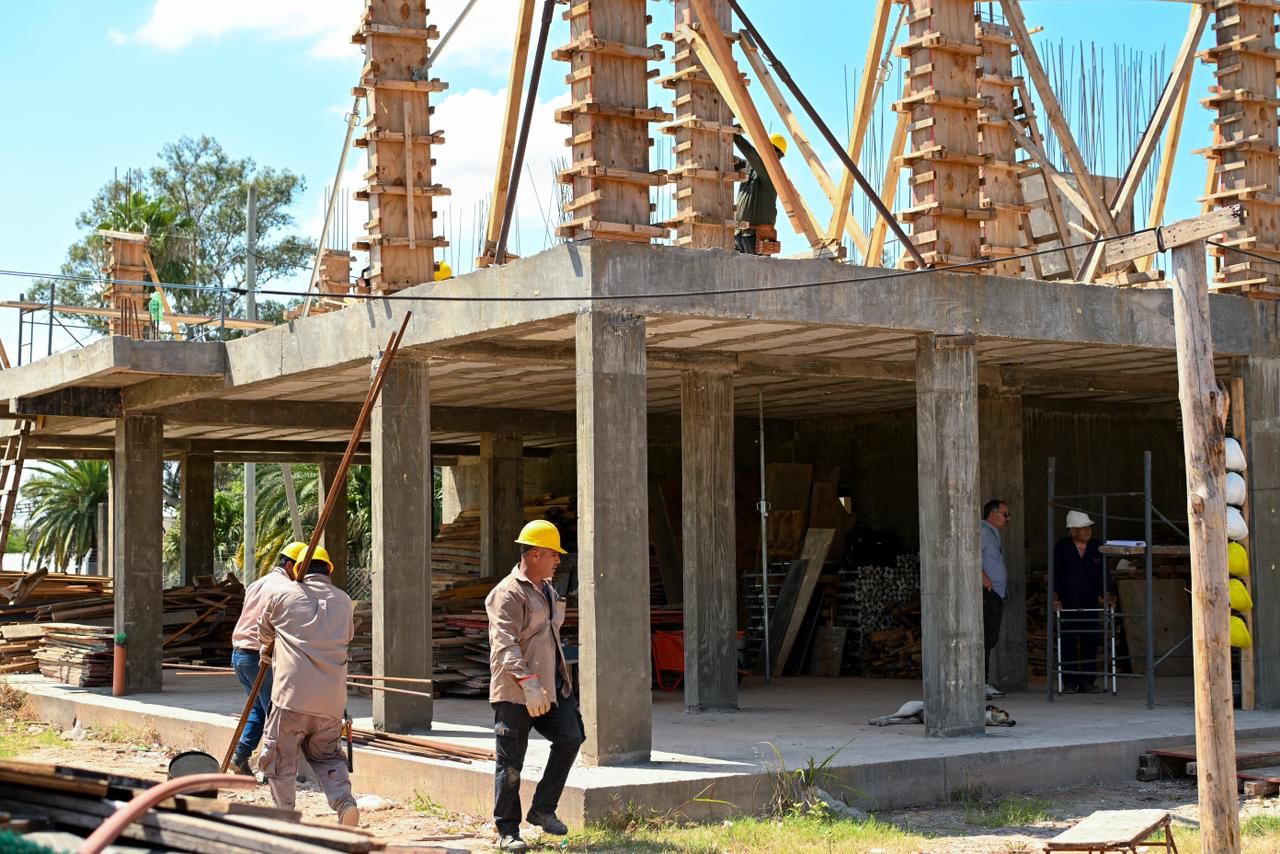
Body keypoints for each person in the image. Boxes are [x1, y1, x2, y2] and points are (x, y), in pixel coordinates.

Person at [485, 520, 584, 853]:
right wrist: (527, 682)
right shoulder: (507, 593)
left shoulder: (548, 590)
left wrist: (554, 683)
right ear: (537, 553)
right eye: (554, 555)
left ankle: (543, 808)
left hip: (552, 689)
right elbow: (503, 643)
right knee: (510, 762)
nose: (558, 561)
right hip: (516, 693)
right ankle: (507, 831)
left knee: (571, 737)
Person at [257, 545, 359, 826]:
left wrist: (270, 647)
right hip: (331, 702)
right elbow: (346, 635)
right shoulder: (344, 601)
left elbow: (263, 630)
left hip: (291, 697)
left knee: (280, 759)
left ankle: (285, 816)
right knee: (327, 756)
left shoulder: (283, 596)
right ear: (329, 570)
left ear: (297, 570)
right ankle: (343, 801)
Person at [228, 541, 305, 775]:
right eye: (302, 568)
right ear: (291, 565)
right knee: (276, 713)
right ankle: (274, 768)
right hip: (259, 656)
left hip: (239, 654)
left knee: (260, 709)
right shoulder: (286, 589)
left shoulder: (257, 584)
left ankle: (241, 755)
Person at [1054, 510, 1106, 694]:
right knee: (1068, 641)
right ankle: (1069, 682)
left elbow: (1103, 574)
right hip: (1068, 601)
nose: (1088, 532)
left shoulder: (1096, 546)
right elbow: (1055, 573)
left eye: (1089, 528)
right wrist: (1055, 597)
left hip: (1089, 600)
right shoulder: (1062, 546)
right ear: (1073, 531)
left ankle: (1087, 681)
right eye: (1083, 529)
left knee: (1090, 640)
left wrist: (1107, 594)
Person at [733, 133, 788, 255]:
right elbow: (744, 161)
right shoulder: (751, 167)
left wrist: (735, 135)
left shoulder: (772, 172)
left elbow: (752, 156)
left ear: (776, 154)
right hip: (739, 235)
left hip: (756, 238)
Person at [980, 499, 1010, 700]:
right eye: (1004, 514)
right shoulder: (982, 531)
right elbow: (970, 555)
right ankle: (980, 683)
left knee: (990, 638)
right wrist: (984, 580)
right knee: (985, 638)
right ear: (992, 514)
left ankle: (983, 681)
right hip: (988, 592)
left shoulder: (993, 532)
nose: (1008, 519)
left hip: (996, 592)